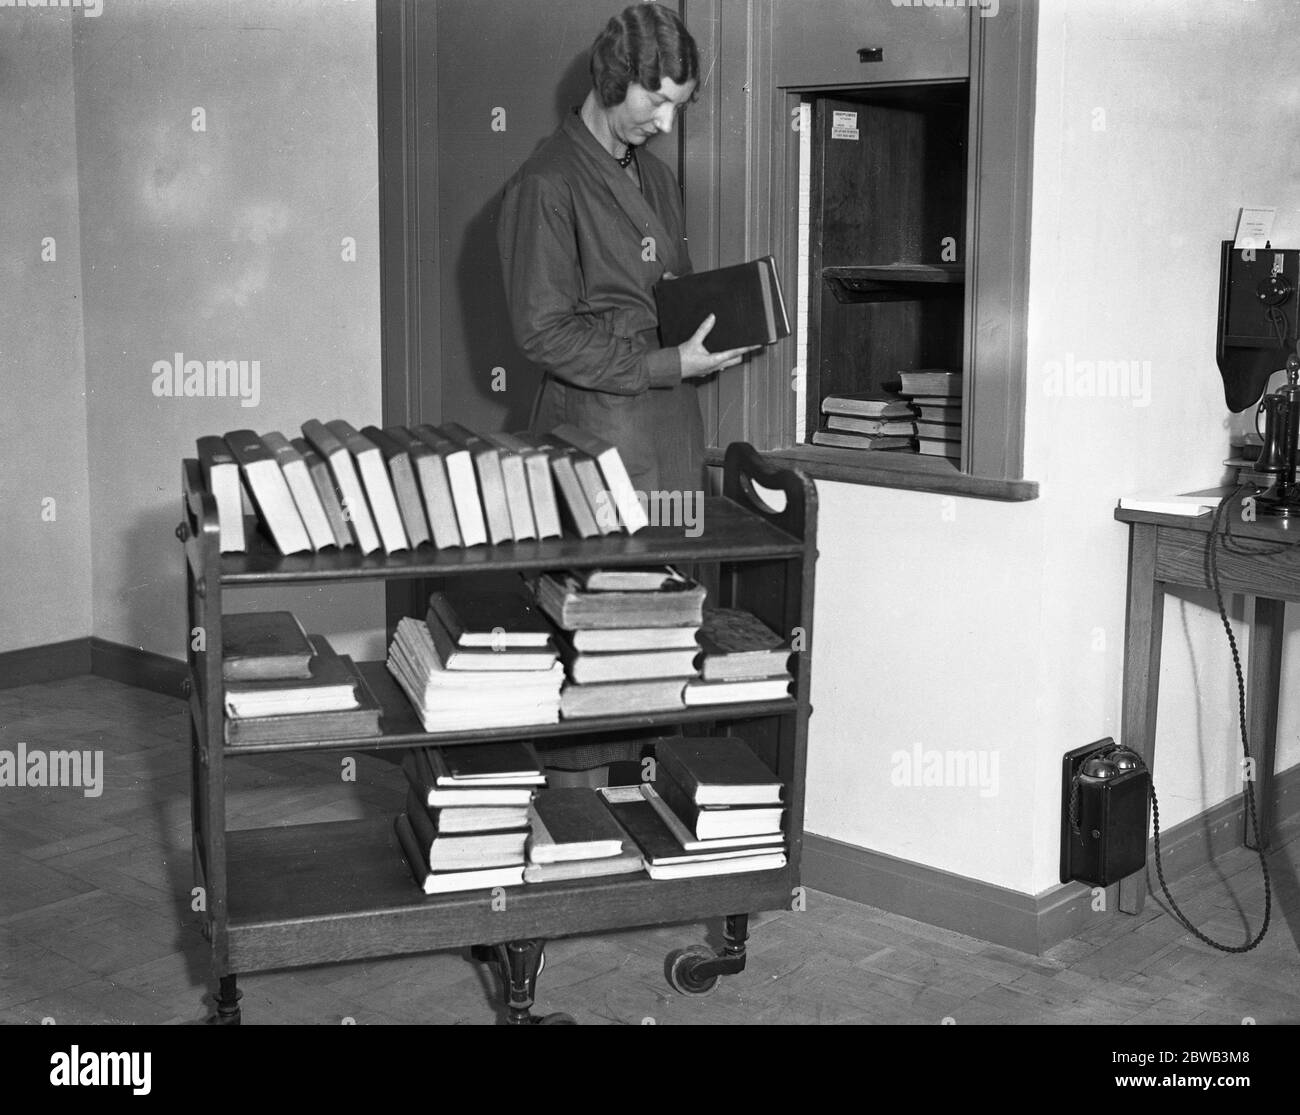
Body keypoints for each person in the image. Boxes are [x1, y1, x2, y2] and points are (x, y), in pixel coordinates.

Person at [497, 1, 756, 499]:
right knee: (612, 576)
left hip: (674, 432)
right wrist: (669, 364)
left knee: (681, 572)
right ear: (614, 79)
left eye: (678, 107)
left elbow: (666, 295)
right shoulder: (546, 183)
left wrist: (720, 319)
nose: (666, 125)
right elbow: (544, 334)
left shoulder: (657, 177)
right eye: (657, 100)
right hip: (597, 439)